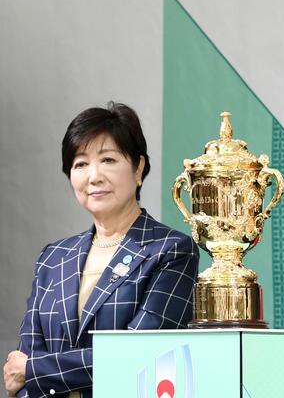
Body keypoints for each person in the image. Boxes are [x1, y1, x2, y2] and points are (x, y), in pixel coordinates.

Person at [3, 102, 199, 397]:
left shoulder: (170, 251)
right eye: (80, 164)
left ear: (138, 168)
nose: (93, 176)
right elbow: (23, 366)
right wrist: (29, 371)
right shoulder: (53, 258)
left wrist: (35, 369)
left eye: (108, 160)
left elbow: (138, 355)